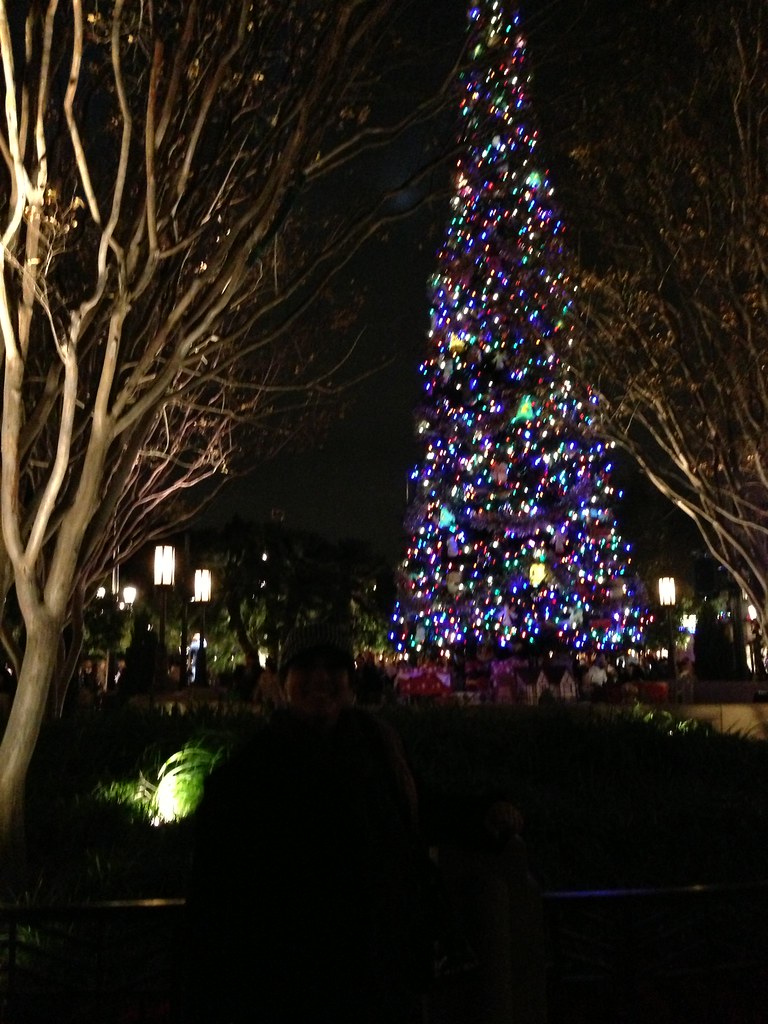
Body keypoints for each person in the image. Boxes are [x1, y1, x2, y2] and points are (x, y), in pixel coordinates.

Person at [184, 620, 432, 1024]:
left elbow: (421, 810)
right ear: (285, 681)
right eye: (306, 667)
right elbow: (217, 896)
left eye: (333, 667)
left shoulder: (380, 750)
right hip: (289, 981)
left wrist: (488, 815)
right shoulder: (248, 775)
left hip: (376, 974)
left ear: (350, 681)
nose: (320, 679)